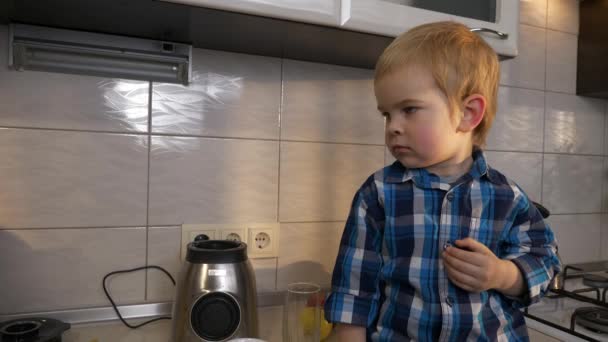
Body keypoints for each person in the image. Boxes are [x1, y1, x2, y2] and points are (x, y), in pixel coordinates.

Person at [324, 21, 561, 341]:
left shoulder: (508, 197)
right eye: (386, 114)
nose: (393, 126)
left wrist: (502, 274)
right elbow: (354, 288)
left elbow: (544, 261)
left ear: (468, 114)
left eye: (409, 109)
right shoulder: (378, 194)